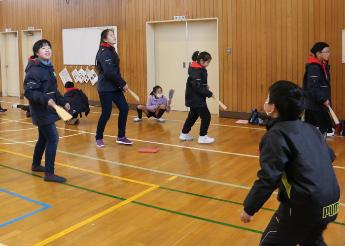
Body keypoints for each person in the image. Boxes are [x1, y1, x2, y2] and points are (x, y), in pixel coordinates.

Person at [241, 80, 340, 245]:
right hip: (329, 203)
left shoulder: (276, 135)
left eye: (267, 99)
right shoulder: (311, 129)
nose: (265, 102)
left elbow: (269, 178)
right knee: (311, 238)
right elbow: (329, 156)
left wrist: (249, 208)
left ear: (272, 108)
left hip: (304, 206)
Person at [24, 39, 70, 183]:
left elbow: (53, 91)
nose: (47, 50)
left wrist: (63, 102)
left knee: (43, 138)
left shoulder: (48, 67)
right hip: (40, 111)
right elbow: (29, 92)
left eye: (49, 47)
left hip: (48, 110)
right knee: (53, 138)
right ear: (37, 53)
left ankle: (36, 164)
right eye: (43, 48)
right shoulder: (33, 70)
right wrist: (45, 99)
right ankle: (49, 173)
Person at [95, 29, 132, 147]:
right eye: (111, 35)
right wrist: (123, 83)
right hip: (105, 88)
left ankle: (121, 136)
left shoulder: (111, 50)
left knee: (124, 108)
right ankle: (98, 137)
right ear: (105, 39)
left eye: (114, 34)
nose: (114, 37)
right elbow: (109, 72)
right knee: (106, 113)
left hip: (114, 87)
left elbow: (115, 71)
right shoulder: (104, 52)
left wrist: (120, 85)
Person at [179, 51, 214, 144]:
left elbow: (198, 84)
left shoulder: (198, 68)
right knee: (206, 116)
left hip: (193, 98)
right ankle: (203, 136)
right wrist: (209, 93)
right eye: (207, 62)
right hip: (196, 99)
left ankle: (184, 133)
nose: (208, 64)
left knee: (193, 116)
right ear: (201, 60)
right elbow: (197, 86)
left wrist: (205, 86)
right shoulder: (196, 70)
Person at [303, 42, 334, 137]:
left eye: (329, 51)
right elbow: (312, 88)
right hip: (315, 106)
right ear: (318, 53)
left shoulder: (322, 65)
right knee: (318, 134)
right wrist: (323, 99)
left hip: (319, 105)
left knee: (324, 132)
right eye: (326, 52)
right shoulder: (314, 67)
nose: (328, 54)